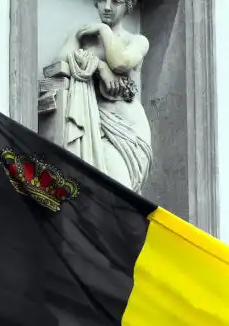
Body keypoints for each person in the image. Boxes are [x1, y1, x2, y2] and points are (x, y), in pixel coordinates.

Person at [50, 0, 153, 191]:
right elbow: (57, 66)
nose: (107, 7)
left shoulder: (137, 41)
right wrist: (98, 66)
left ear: (128, 6)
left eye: (116, 2)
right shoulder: (82, 36)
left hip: (130, 130)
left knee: (122, 193)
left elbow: (120, 63)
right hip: (93, 125)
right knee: (102, 196)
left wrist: (104, 31)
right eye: (102, 0)